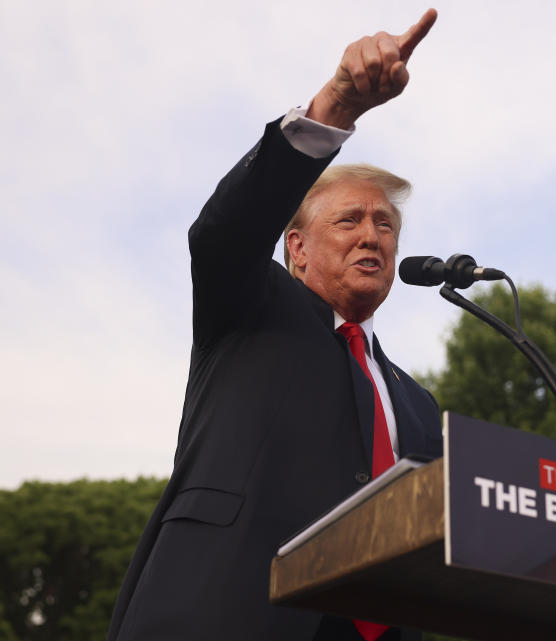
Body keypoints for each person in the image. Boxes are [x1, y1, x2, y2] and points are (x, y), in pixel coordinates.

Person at [106, 10, 442, 641]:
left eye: (386, 225)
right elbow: (223, 233)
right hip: (227, 612)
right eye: (349, 221)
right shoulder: (250, 306)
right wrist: (337, 105)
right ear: (296, 249)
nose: (372, 235)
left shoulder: (418, 404)